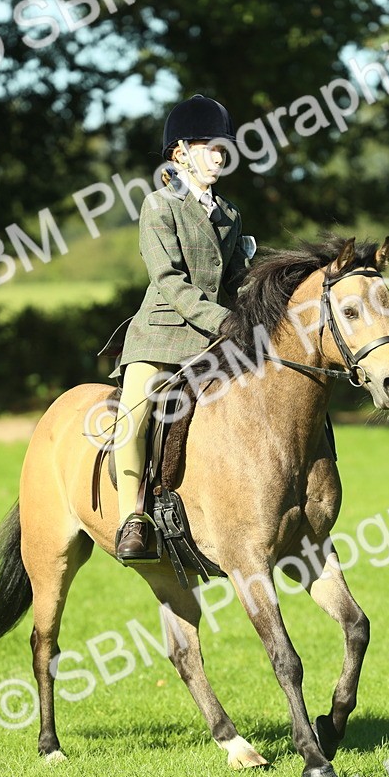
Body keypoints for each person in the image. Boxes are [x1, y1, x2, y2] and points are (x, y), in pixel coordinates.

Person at [112, 94, 255, 564]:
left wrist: (261, 308)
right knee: (132, 419)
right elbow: (169, 280)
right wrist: (224, 321)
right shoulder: (159, 206)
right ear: (180, 153)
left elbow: (236, 279)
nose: (220, 156)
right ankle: (132, 518)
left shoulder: (230, 214)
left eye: (223, 148)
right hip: (162, 335)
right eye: (211, 147)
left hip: (215, 340)